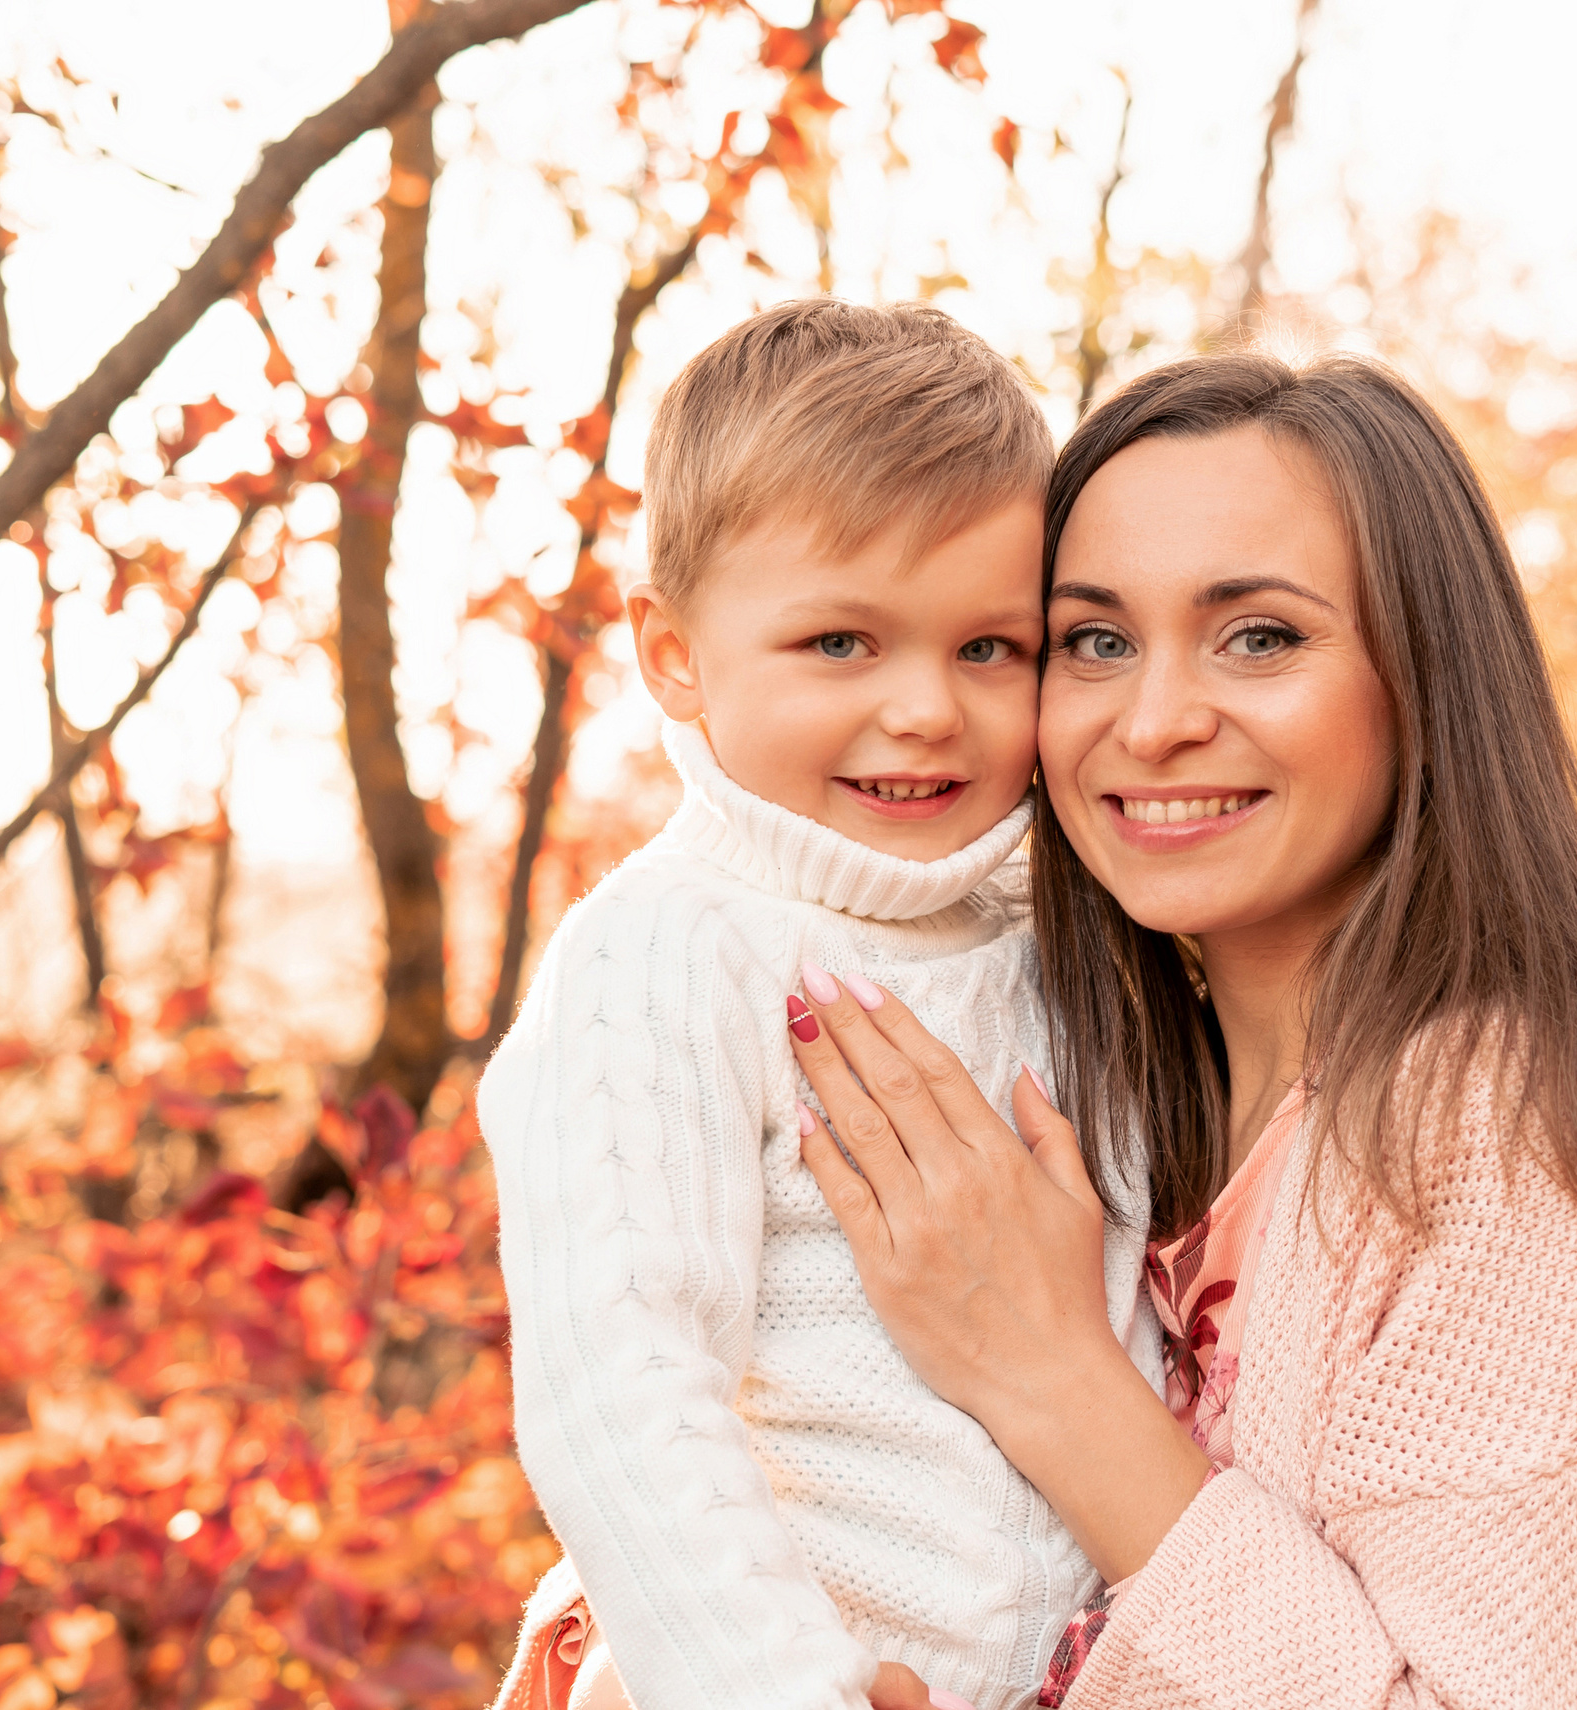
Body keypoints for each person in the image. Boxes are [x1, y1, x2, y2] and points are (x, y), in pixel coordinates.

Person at [784, 352, 1577, 1707]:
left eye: (1260, 636)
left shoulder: (1506, 1148)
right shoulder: (1106, 1101)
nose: (1155, 722)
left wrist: (1051, 1377)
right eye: (1095, 642)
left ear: (1424, 679)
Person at [478, 300, 1160, 1710]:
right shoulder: (664, 954)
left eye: (990, 648)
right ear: (674, 652)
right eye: (842, 642)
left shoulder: (1067, 937)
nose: (926, 710)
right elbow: (624, 1384)